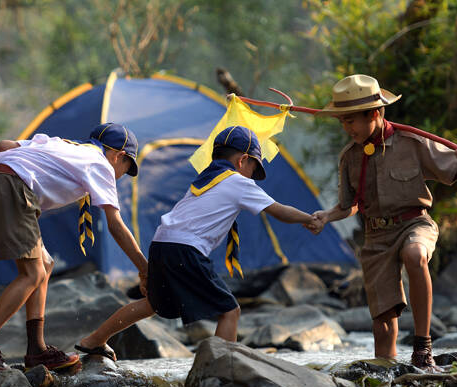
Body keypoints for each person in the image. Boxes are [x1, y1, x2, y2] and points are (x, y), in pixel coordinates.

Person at [76, 126, 321, 361]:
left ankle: (94, 340)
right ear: (243, 160)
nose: (252, 176)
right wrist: (308, 218)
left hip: (162, 243)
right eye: (253, 168)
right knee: (229, 311)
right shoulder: (238, 182)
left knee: (152, 304)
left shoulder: (205, 180)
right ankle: (221, 368)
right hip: (185, 250)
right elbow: (279, 211)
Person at [311, 74, 457, 369]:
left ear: (374, 113)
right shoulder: (349, 157)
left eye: (351, 120)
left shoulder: (413, 142)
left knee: (415, 255)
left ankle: (422, 346)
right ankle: (388, 374)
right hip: (376, 238)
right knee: (382, 324)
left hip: (415, 224)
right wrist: (327, 216)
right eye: (342, 122)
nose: (346, 128)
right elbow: (349, 206)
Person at [0, 123, 148, 371]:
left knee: (45, 264)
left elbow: (4, 145)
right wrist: (145, 269)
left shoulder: (63, 144)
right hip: (13, 188)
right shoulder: (101, 164)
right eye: (126, 168)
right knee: (33, 273)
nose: (122, 174)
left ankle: (36, 350)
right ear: (119, 156)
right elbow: (115, 224)